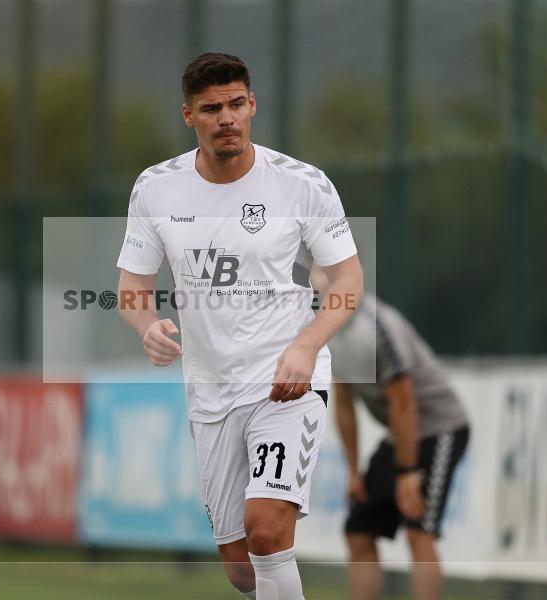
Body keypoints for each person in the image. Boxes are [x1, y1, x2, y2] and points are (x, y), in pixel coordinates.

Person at [116, 53, 363, 599]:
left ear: (252, 105)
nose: (226, 118)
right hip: (210, 392)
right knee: (241, 567)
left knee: (267, 532)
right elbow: (132, 288)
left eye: (235, 104)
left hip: (286, 381)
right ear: (189, 116)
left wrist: (306, 346)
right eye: (211, 109)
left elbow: (348, 280)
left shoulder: (303, 184)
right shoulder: (156, 188)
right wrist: (146, 325)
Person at [330, 294, 469, 600]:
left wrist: (407, 473)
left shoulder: (377, 326)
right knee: (358, 530)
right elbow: (343, 405)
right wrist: (353, 471)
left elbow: (403, 400)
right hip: (402, 434)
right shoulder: (328, 328)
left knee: (419, 530)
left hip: (440, 428)